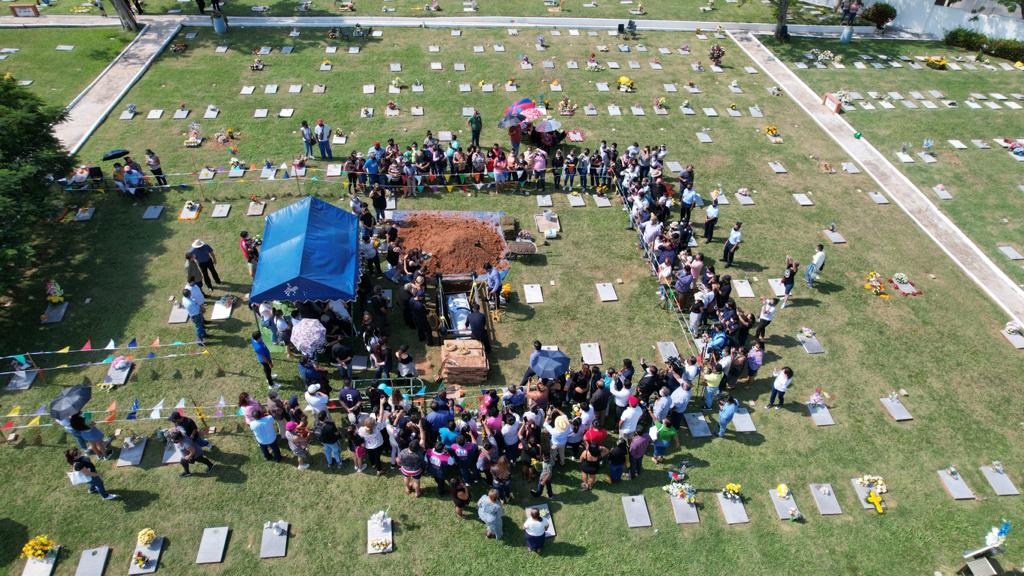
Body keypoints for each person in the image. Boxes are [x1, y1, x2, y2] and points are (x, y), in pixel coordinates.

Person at [357, 398, 388, 475]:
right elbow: (381, 414)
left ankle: (373, 464)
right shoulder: (377, 426)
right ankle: (379, 470)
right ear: (374, 424)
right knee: (377, 458)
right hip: (378, 445)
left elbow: (359, 435)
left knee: (371, 455)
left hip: (368, 446)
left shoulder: (361, 429)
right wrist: (381, 403)